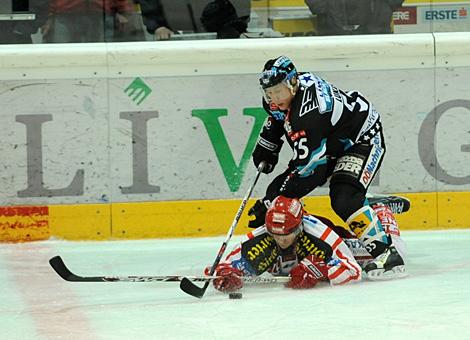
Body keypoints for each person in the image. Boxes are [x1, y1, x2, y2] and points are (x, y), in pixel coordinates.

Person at [247, 55, 406, 280]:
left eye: (278, 91)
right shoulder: (284, 97)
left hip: (361, 138)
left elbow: (311, 171)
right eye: (269, 92)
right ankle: (369, 205)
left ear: (293, 83)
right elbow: (277, 117)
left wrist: (271, 198)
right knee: (306, 191)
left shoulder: (309, 114)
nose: (274, 98)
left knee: (344, 196)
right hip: (332, 138)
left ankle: (387, 256)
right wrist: (268, 144)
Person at [210, 196, 363, 292]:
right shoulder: (262, 237)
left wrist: (320, 270)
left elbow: (354, 271)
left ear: (299, 227)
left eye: (287, 234)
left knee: (365, 253)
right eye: (275, 235)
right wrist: (225, 275)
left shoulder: (320, 235)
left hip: (340, 239)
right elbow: (226, 265)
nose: (281, 240)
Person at [42, 0, 136, 43]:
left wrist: (125, 12)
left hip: (101, 17)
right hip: (63, 16)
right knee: (61, 57)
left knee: (103, 58)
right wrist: (46, 17)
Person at [305, 0, 405, 35]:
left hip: (375, 32)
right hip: (332, 33)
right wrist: (324, 8)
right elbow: (316, 5)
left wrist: (384, 8)